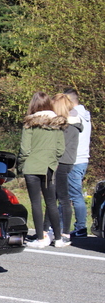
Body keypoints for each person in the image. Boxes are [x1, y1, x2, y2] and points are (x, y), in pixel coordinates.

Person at [17, 92, 68, 248]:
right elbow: (61, 149)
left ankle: (40, 238)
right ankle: (58, 238)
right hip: (49, 166)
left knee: (36, 203)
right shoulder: (57, 124)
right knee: (51, 202)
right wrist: (52, 160)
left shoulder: (29, 124)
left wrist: (20, 165)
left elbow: (25, 149)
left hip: (32, 166)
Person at [43, 93, 83, 243]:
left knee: (62, 198)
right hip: (63, 161)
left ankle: (65, 233)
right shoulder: (69, 124)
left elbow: (59, 146)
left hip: (62, 162)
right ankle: (46, 230)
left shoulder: (68, 126)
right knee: (53, 197)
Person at [64, 88, 91, 238]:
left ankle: (80, 227)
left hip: (75, 159)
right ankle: (68, 226)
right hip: (81, 159)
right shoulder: (85, 114)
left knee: (74, 195)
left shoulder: (74, 115)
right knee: (68, 195)